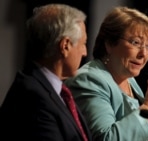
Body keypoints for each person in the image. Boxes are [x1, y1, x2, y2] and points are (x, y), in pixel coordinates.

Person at [64, 6, 148, 141]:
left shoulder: (128, 79)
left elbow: (131, 131)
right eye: (136, 42)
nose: (144, 54)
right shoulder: (89, 80)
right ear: (110, 44)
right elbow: (106, 138)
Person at [0, 4, 92, 141]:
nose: (85, 52)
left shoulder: (54, 90)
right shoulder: (33, 98)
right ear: (65, 45)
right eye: (83, 43)